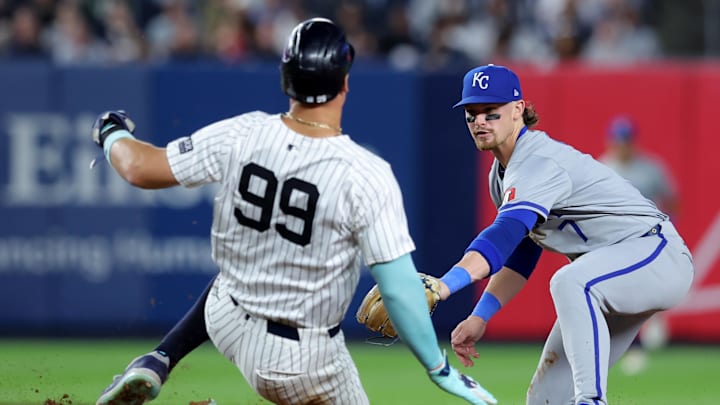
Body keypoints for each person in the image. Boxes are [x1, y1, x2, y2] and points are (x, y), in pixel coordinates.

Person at [93, 17, 496, 405]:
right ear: (345, 82)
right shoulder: (364, 173)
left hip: (225, 318)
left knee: (236, 275)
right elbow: (397, 289)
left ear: (286, 79)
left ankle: (160, 358)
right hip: (300, 359)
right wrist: (439, 368)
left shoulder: (244, 132)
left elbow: (139, 168)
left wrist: (111, 133)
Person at [432, 64, 693, 405]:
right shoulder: (501, 175)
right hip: (608, 276)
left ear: (518, 110)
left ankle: (591, 401)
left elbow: (503, 236)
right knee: (545, 398)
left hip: (656, 255)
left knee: (569, 281)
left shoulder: (538, 162)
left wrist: (444, 285)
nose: (480, 121)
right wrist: (480, 316)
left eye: (490, 112)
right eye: (472, 114)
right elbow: (523, 253)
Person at [600, 115, 680, 374]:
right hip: (617, 242)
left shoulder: (650, 168)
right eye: (618, 140)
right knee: (619, 295)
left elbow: (672, 200)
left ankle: (654, 315)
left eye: (626, 140)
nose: (622, 145)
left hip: (649, 239)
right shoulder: (603, 167)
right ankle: (633, 343)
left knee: (644, 289)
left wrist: (669, 228)